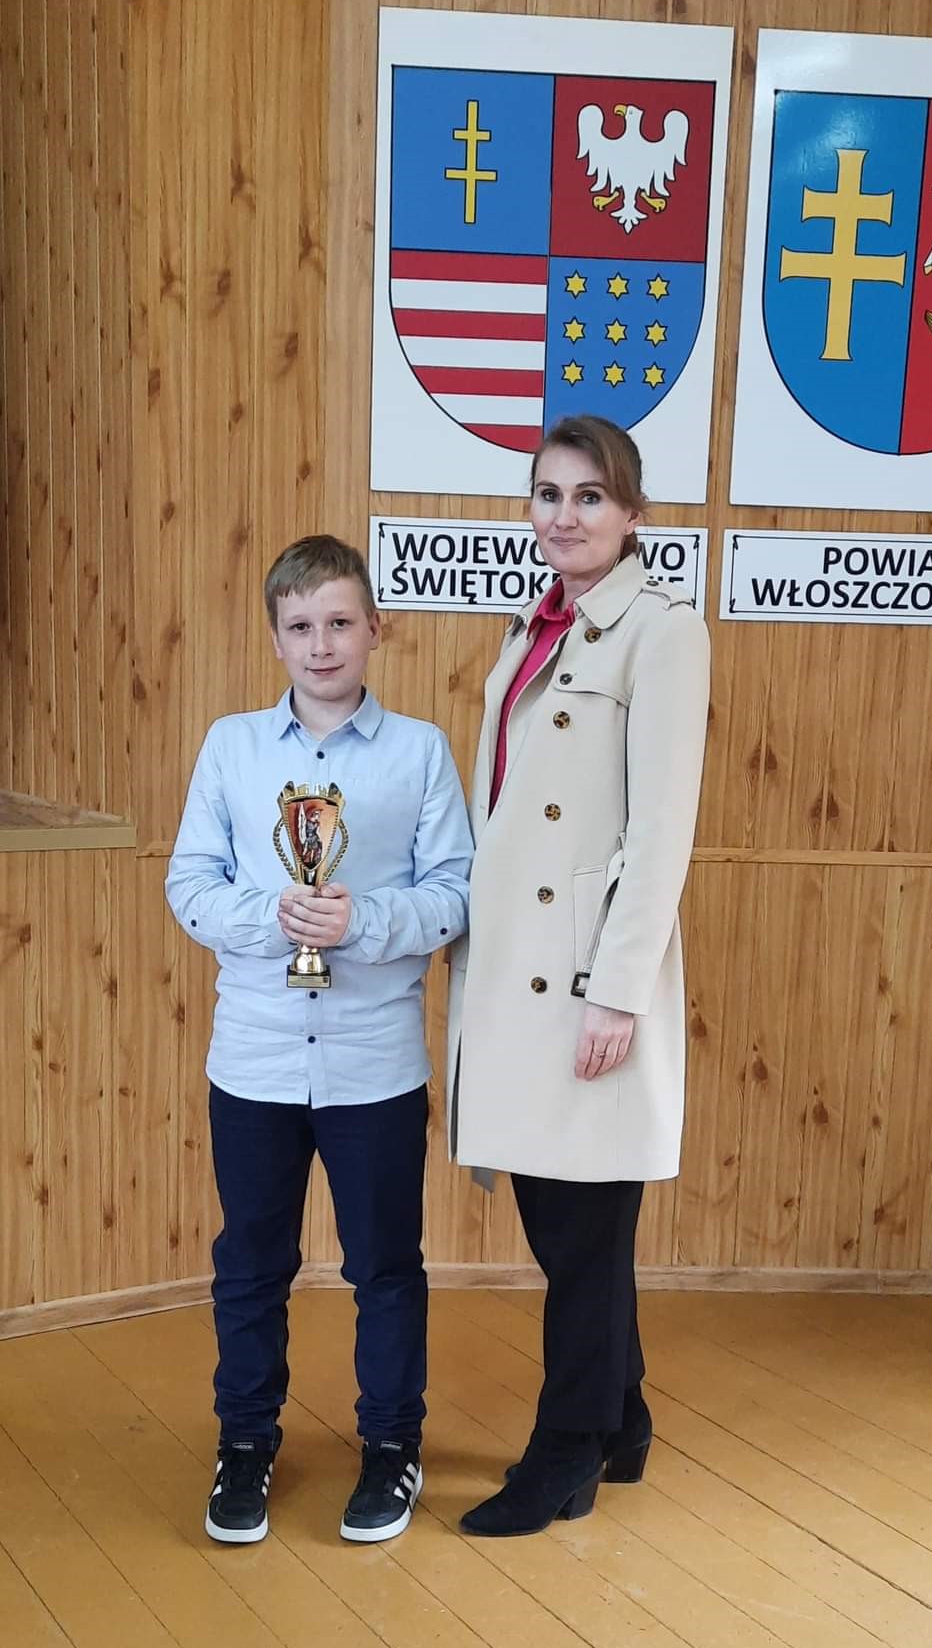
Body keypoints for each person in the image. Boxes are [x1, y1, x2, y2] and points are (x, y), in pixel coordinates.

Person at [166, 535, 472, 1546]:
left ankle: (390, 1444)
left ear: (375, 628)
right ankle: (245, 1441)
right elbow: (189, 882)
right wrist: (275, 918)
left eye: (340, 621)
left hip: (373, 1062)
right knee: (251, 1263)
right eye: (300, 626)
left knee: (384, 1265)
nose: (322, 643)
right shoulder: (232, 747)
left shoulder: (419, 750)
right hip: (253, 1058)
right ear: (275, 638)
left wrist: (363, 922)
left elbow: (455, 891)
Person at [447, 415, 710, 1538]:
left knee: (583, 1232)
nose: (565, 516)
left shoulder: (664, 631)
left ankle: (566, 1451)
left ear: (632, 513)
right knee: (570, 1225)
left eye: (590, 496)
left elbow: (660, 832)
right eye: (549, 495)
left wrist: (619, 990)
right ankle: (623, 1418)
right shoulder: (533, 627)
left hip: (584, 981)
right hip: (517, 972)